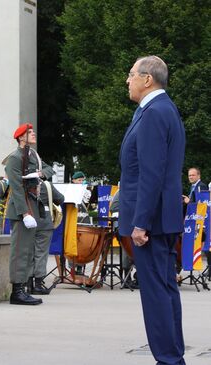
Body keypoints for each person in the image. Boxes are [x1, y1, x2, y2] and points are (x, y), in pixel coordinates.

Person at [119, 55, 186, 364]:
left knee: (156, 294)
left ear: (148, 79)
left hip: (152, 221)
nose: (127, 80)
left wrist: (141, 222)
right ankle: (173, 357)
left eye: (132, 74)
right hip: (161, 218)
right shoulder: (158, 109)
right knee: (165, 290)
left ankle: (169, 359)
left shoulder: (155, 112)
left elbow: (151, 173)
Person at [4, 123, 44, 305]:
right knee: (19, 251)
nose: (34, 134)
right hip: (21, 210)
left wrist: (38, 173)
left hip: (32, 206)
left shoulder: (32, 156)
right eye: (30, 132)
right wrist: (25, 213)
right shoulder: (15, 158)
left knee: (27, 251)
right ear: (21, 138)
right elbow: (17, 188)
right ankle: (17, 291)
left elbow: (47, 170)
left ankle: (23, 288)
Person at [28, 166, 64, 295]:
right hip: (44, 222)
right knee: (41, 253)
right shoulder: (47, 185)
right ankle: (38, 284)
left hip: (28, 221)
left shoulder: (22, 184)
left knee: (29, 253)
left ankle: (28, 284)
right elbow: (60, 199)